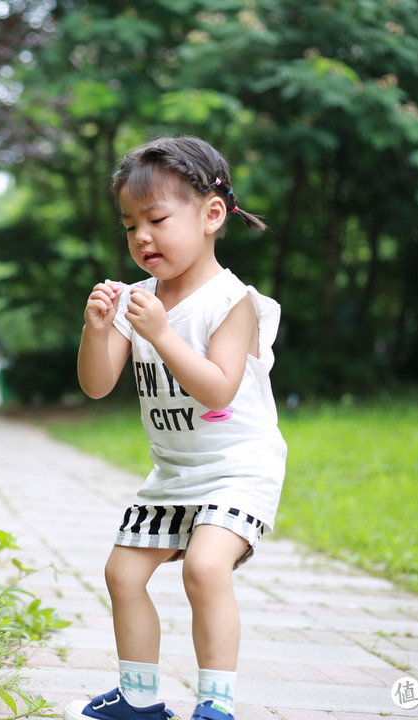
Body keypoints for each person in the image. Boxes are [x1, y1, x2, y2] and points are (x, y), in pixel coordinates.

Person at [69, 136, 287, 720]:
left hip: (240, 466)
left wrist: (163, 335)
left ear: (212, 214)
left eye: (158, 219)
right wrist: (97, 328)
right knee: (122, 572)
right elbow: (97, 384)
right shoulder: (138, 301)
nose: (142, 237)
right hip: (176, 472)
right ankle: (139, 698)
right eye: (130, 225)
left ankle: (216, 705)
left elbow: (218, 387)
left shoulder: (231, 302)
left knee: (204, 566)